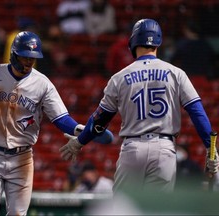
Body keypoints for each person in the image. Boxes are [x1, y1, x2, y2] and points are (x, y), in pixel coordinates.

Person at [0, 31, 112, 215]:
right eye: (25, 56)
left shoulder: (43, 83)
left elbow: (60, 118)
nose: (28, 62)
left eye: (32, 58)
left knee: (18, 214)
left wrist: (77, 129)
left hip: (22, 158)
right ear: (14, 53)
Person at [59, 18, 219, 194]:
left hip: (132, 148)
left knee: (123, 208)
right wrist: (209, 148)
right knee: (157, 211)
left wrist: (80, 142)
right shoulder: (176, 73)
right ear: (158, 42)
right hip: (164, 148)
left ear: (133, 43)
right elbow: (197, 112)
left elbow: (99, 122)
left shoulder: (119, 77)